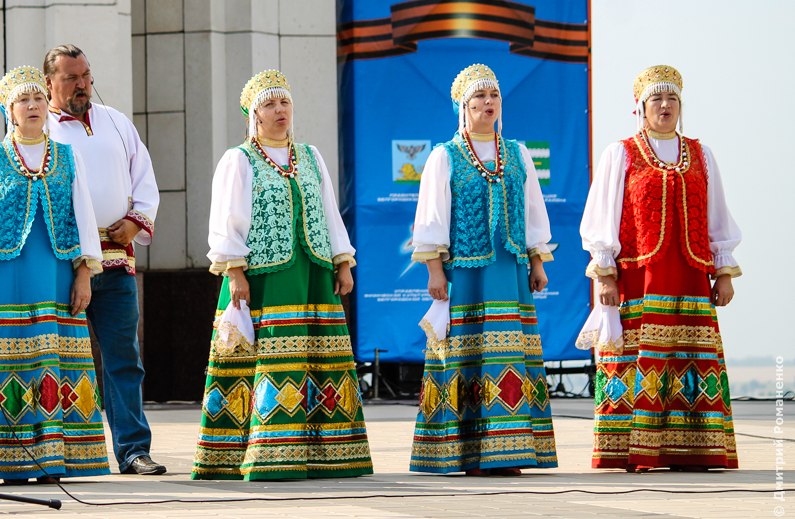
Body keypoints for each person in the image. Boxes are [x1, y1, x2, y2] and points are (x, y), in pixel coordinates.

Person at [192, 69, 373, 481]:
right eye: (270, 104)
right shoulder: (239, 159)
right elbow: (227, 219)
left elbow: (329, 211)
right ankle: (270, 454)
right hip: (265, 277)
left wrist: (342, 260)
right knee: (271, 357)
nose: (279, 110)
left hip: (312, 271)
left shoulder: (309, 156)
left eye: (284, 102)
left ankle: (325, 455)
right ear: (253, 114)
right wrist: (235, 272)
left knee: (317, 357)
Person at [0, 66, 110, 484]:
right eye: (23, 100)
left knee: (53, 361)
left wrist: (85, 274)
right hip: (7, 277)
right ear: (10, 111)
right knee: (5, 363)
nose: (33, 106)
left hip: (56, 274)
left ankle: (54, 459)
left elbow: (83, 218)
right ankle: (5, 459)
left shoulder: (67, 157)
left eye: (39, 98)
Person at [579, 65, 740, 472]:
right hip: (639, 276)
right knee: (636, 360)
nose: (665, 106)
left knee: (689, 358)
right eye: (656, 99)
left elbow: (717, 215)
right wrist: (606, 273)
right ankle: (636, 450)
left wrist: (722, 270)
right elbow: (602, 218)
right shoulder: (621, 153)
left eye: (672, 99)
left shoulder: (701, 154)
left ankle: (694, 449)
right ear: (641, 108)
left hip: (690, 275)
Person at [409, 63, 558, 476]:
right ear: (464, 106)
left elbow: (532, 210)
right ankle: (466, 452)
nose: (489, 103)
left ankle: (509, 451)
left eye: (494, 97)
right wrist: (434, 271)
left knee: (509, 351)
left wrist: (537, 258)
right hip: (466, 272)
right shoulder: (445, 156)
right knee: (468, 352)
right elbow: (432, 218)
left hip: (510, 269)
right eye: (480, 98)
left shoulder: (516, 152)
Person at [44, 45, 164, 475]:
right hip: (63, 264)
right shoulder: (41, 129)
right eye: (71, 77)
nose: (82, 84)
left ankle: (134, 450)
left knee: (124, 358)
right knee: (55, 359)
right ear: (48, 84)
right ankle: (57, 453)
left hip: (115, 260)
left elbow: (145, 180)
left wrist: (135, 222)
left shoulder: (116, 121)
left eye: (86, 74)